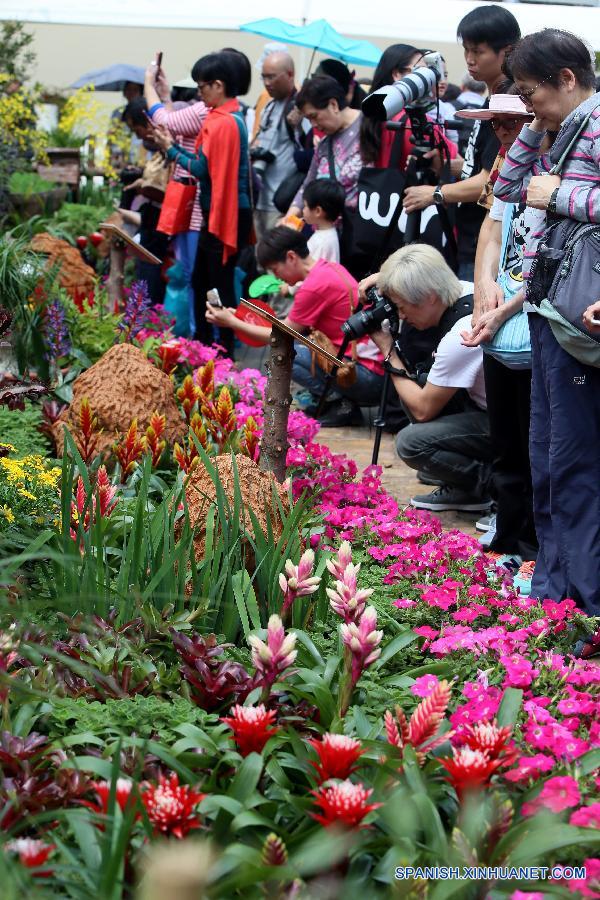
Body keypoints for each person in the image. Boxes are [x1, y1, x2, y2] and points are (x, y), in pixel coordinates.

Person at [492, 28, 600, 620]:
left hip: (578, 321)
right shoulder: (558, 127)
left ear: (566, 78)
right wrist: (534, 128)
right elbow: (508, 189)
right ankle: (555, 587)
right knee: (548, 458)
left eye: (532, 92)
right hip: (548, 310)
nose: (526, 104)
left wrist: (561, 194)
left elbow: (548, 196)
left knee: (574, 461)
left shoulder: (597, 123)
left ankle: (583, 600)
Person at [459, 93, 538, 561]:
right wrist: (483, 285)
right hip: (499, 320)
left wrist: (504, 306)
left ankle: (530, 547)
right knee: (505, 440)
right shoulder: (508, 163)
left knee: (535, 446)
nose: (503, 132)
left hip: (536, 319)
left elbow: (559, 260)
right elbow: (492, 227)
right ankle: (508, 539)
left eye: (513, 122)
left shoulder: (563, 165)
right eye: (496, 124)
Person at [205, 226, 384, 420]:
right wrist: (239, 317)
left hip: (365, 377)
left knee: (287, 352)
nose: (275, 277)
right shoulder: (329, 268)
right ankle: (337, 401)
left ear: (291, 257)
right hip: (373, 372)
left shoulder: (313, 286)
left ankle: (338, 404)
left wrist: (233, 323)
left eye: (275, 269)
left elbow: (281, 334)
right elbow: (286, 326)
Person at [371, 244, 493, 512]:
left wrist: (387, 349)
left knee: (411, 442)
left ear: (428, 297)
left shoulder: (462, 336)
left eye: (402, 306)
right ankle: (465, 483)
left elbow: (423, 409)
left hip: (500, 420)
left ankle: (492, 488)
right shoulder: (464, 290)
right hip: (492, 406)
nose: (401, 316)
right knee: (431, 466)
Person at [402, 4, 521, 280]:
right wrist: (447, 165)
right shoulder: (490, 97)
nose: (469, 59)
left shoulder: (506, 106)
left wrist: (434, 193)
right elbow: (481, 166)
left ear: (508, 51)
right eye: (466, 50)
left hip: (486, 244)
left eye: (477, 51)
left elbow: (491, 181)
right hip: (472, 239)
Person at [152, 51, 252, 357]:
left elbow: (200, 169)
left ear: (218, 86)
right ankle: (214, 348)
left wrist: (170, 150)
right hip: (228, 212)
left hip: (225, 214)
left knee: (214, 285)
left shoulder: (222, 123)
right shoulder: (229, 118)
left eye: (203, 86)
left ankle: (218, 351)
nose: (200, 92)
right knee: (207, 282)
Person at [144, 55, 208, 336]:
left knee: (192, 274)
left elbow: (163, 118)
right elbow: (171, 121)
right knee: (188, 272)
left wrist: (148, 84)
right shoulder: (201, 110)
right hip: (187, 202)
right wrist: (165, 93)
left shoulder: (201, 111)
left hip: (194, 206)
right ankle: (193, 334)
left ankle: (196, 336)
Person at [285, 76, 363, 220]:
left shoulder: (369, 128)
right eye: (309, 120)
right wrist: (289, 216)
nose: (313, 124)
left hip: (357, 230)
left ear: (333, 105)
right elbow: (308, 184)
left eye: (314, 116)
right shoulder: (324, 145)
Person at [120, 97, 170, 304]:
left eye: (136, 128)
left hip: (161, 219)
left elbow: (166, 189)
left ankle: (149, 314)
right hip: (152, 216)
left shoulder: (169, 145)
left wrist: (144, 186)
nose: (137, 135)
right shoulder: (157, 149)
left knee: (151, 268)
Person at [251, 51, 301, 238]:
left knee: (276, 263)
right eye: (263, 77)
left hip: (281, 202)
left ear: (290, 75)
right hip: (260, 197)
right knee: (259, 261)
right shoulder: (269, 106)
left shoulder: (300, 108)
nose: (267, 83)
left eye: (272, 77)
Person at [302, 179, 345, 263]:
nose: (303, 210)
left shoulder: (322, 242)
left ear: (318, 211)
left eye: (305, 206)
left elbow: (311, 272)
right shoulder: (327, 234)